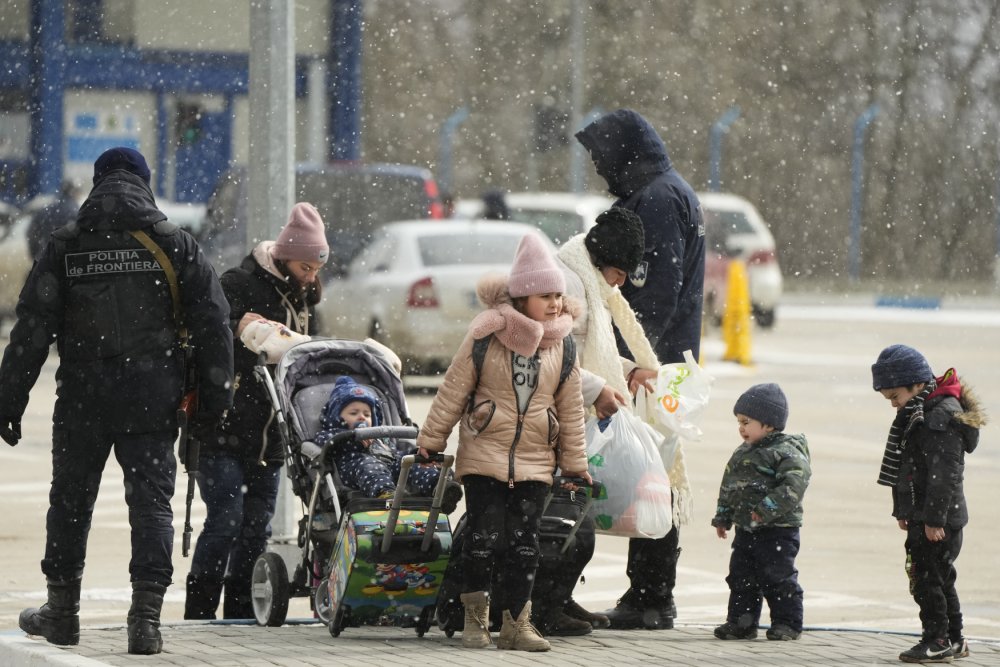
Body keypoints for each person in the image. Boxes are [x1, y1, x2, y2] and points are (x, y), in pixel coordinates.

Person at [0, 147, 233, 655]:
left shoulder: (66, 244)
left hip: (83, 397)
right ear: (145, 184)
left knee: (70, 502)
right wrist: (215, 405)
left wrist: (8, 400)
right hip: (153, 399)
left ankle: (62, 613)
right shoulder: (175, 244)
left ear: (98, 183)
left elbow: (32, 329)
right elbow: (215, 327)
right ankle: (145, 622)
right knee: (151, 506)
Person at [415, 232, 592, 651]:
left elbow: (570, 410)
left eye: (558, 295)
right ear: (521, 298)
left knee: (525, 546)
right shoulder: (486, 335)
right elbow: (454, 390)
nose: (554, 303)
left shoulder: (562, 345)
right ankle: (475, 621)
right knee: (482, 540)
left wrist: (575, 462)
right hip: (483, 456)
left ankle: (517, 624)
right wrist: (431, 439)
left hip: (534, 460)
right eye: (545, 295)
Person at [576, 107, 705, 630]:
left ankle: (652, 598)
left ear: (624, 154)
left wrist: (634, 361)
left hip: (655, 365)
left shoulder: (655, 200)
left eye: (601, 158)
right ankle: (650, 595)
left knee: (653, 476)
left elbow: (654, 292)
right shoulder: (666, 191)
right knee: (656, 474)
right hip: (665, 359)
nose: (599, 170)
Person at [185, 202, 327, 620]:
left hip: (272, 434)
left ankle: (240, 614)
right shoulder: (240, 283)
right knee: (226, 521)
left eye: (317, 269)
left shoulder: (304, 298)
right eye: (305, 267)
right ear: (285, 257)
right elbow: (211, 339)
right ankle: (199, 611)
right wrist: (248, 338)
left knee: (255, 531)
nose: (311, 276)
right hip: (224, 429)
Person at [526, 206, 659, 637]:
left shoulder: (585, 280)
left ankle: (556, 599)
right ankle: (543, 608)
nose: (620, 283)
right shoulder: (565, 285)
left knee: (575, 520)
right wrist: (597, 388)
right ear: (602, 260)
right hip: (549, 423)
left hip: (569, 418)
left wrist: (623, 369)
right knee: (569, 525)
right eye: (619, 272)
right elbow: (549, 356)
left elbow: (581, 353)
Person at [871, 345, 983, 663]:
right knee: (938, 577)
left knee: (926, 579)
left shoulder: (938, 417)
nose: (893, 405)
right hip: (925, 515)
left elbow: (943, 476)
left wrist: (934, 519)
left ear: (917, 385)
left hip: (939, 520)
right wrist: (904, 511)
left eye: (895, 396)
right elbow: (908, 469)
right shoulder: (918, 412)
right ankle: (954, 639)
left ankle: (938, 639)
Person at [710, 383, 810, 642]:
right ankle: (741, 623)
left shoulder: (786, 451)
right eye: (739, 422)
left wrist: (767, 509)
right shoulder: (742, 452)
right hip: (746, 530)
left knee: (778, 577)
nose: (741, 428)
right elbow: (729, 486)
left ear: (769, 424)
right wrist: (723, 516)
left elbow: (794, 485)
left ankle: (787, 623)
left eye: (746, 421)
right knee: (741, 577)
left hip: (778, 531)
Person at [314, 375, 462, 512]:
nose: (362, 417)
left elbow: (395, 452)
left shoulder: (381, 437)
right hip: (356, 469)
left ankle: (439, 487)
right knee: (370, 465)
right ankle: (387, 494)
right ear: (337, 418)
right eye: (354, 413)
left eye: (367, 414)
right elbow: (325, 442)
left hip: (391, 465)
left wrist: (413, 455)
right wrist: (352, 437)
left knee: (410, 464)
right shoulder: (333, 434)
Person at [27, 180, 81, 260]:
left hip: (44, 256)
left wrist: (35, 255)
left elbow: (32, 233)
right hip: (66, 259)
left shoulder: (46, 209)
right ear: (73, 192)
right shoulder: (75, 211)